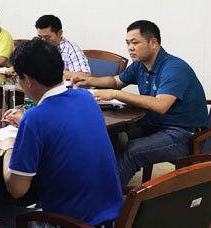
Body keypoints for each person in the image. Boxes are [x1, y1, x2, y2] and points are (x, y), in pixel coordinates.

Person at [0, 39, 123, 228]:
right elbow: (63, 124)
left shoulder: (36, 119)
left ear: (28, 80)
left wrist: (7, 149)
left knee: (7, 217)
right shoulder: (85, 98)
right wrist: (26, 121)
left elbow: (17, 189)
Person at [73, 20, 208, 186]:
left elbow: (160, 105)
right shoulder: (140, 65)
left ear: (153, 43)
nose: (130, 48)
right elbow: (116, 81)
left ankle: (103, 197)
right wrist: (88, 81)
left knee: (132, 151)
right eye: (128, 43)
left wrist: (115, 94)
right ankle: (94, 184)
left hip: (184, 134)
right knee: (108, 137)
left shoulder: (174, 68)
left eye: (135, 42)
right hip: (153, 124)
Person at [34, 15, 90, 80]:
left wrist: (52, 72)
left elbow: (84, 76)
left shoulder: (71, 49)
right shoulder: (37, 46)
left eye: (47, 37)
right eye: (40, 37)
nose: (43, 41)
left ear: (60, 33)